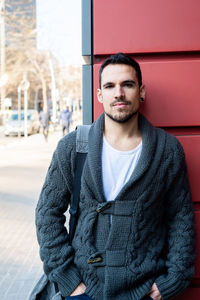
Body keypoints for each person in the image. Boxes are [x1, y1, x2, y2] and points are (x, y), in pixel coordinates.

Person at [35, 53, 196, 300]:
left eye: (127, 84)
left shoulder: (167, 151)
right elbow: (47, 213)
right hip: (83, 290)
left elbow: (181, 218)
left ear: (141, 91)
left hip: (144, 292)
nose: (118, 93)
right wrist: (69, 281)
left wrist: (174, 279)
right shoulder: (73, 147)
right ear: (100, 95)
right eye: (110, 86)